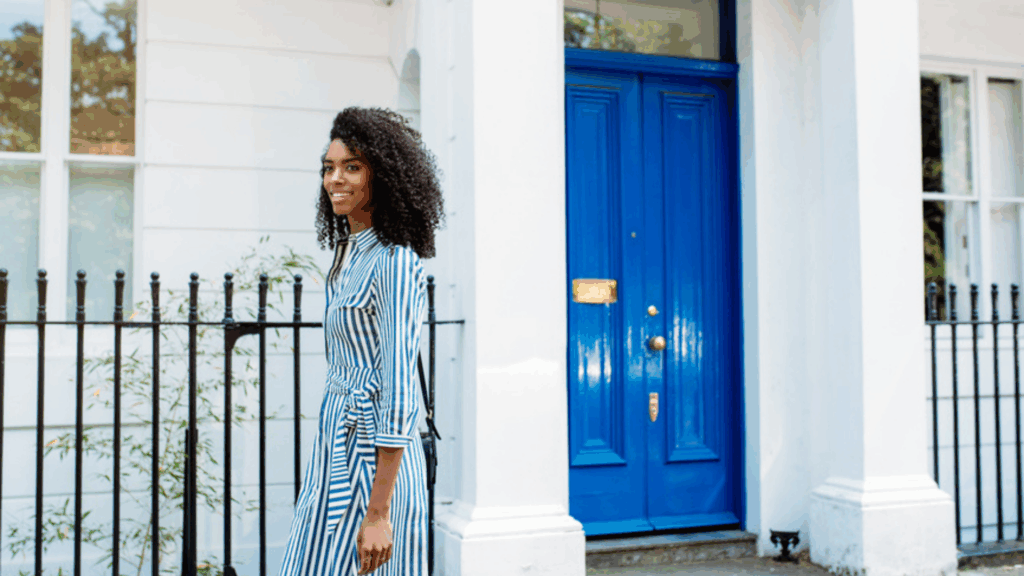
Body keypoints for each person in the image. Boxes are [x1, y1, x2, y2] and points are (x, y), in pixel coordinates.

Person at [280, 107, 444, 576]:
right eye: (329, 167)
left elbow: (398, 391)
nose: (336, 179)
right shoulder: (347, 255)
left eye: (352, 167)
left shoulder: (394, 261)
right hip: (335, 449)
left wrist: (378, 513)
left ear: (384, 177)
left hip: (375, 467)